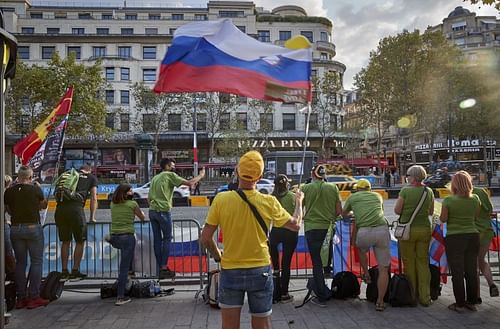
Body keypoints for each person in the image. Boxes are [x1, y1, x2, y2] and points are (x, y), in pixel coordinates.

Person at [200, 150, 303, 329]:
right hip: (260, 270)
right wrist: (299, 202)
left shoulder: (221, 199)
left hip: (231, 269)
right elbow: (295, 225)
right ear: (260, 176)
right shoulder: (269, 202)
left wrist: (218, 256)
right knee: (262, 324)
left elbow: (206, 238)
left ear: (238, 171)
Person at [148, 158, 205, 279]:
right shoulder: (170, 175)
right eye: (173, 164)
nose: (175, 166)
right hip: (163, 211)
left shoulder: (155, 178)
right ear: (167, 166)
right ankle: (163, 267)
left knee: (157, 240)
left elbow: (148, 197)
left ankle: (159, 267)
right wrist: (200, 175)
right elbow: (190, 183)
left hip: (152, 211)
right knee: (167, 238)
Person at [4, 166, 49, 309]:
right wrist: (40, 189)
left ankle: (21, 297)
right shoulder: (35, 189)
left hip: (16, 228)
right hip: (32, 228)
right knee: (36, 262)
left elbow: (9, 210)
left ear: (18, 176)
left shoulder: (9, 191)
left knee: (20, 263)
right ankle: (34, 296)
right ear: (30, 177)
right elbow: (43, 206)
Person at [342, 179, 391, 311]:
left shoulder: (353, 197)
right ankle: (380, 301)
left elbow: (344, 214)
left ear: (358, 189)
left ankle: (366, 272)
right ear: (369, 189)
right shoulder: (378, 196)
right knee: (383, 270)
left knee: (361, 249)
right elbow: (380, 211)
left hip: (364, 232)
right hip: (381, 230)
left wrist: (354, 213)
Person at [301, 164, 342, 307]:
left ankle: (321, 294)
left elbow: (299, 210)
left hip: (311, 228)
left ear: (313, 174)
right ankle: (325, 287)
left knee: (316, 262)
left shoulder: (305, 188)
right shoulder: (333, 188)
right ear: (324, 174)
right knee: (326, 261)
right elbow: (339, 211)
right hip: (328, 229)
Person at [440, 171, 481, 313]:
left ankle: (459, 303)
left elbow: (443, 219)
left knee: (457, 271)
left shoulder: (449, 201)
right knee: (471, 270)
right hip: (473, 236)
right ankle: (472, 302)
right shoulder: (475, 199)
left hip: (455, 237)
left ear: (454, 184)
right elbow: (475, 217)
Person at [394, 165, 434, 306]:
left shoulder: (405, 191)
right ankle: (425, 297)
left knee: (409, 261)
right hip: (424, 230)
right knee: (423, 262)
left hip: (408, 232)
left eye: (408, 175)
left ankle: (412, 295)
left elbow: (397, 210)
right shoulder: (428, 191)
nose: (407, 177)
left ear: (413, 176)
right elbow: (431, 212)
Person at [55, 164, 98, 281]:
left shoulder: (68, 174)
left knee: (65, 241)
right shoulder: (91, 178)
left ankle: (64, 271)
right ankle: (75, 270)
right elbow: (94, 198)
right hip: (76, 210)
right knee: (80, 241)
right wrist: (92, 217)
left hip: (60, 209)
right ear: (90, 170)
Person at [108, 183, 146, 306]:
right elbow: (142, 217)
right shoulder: (133, 204)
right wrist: (142, 213)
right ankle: (120, 297)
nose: (132, 192)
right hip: (127, 237)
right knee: (123, 268)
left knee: (126, 257)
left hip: (115, 236)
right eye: (130, 191)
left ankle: (130, 271)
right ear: (125, 193)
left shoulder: (113, 204)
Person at [269, 174, 298, 303]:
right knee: (286, 264)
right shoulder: (293, 197)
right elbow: (299, 212)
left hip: (275, 232)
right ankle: (284, 293)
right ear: (287, 184)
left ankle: (275, 292)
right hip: (290, 232)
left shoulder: (270, 198)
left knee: (275, 266)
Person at [472, 186, 499, 302]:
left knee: (473, 264)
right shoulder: (481, 191)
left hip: (473, 232)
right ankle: (491, 284)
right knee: (481, 260)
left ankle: (477, 296)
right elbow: (490, 209)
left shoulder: (461, 194)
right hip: (486, 231)